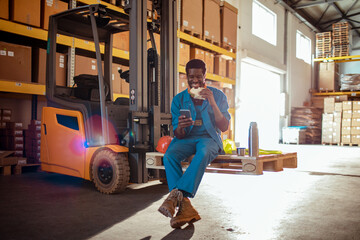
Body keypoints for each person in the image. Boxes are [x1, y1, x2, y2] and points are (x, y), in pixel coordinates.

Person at [158, 59, 231, 228]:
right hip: (187, 138)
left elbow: (224, 126)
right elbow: (178, 133)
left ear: (205, 75)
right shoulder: (179, 99)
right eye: (191, 77)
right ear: (187, 77)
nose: (195, 80)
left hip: (209, 138)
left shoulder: (218, 96)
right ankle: (185, 206)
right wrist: (181, 127)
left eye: (199, 76)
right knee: (169, 156)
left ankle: (175, 196)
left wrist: (212, 102)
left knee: (204, 152)